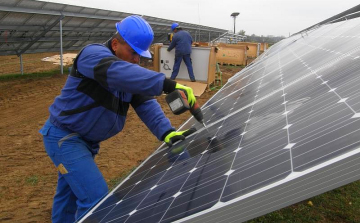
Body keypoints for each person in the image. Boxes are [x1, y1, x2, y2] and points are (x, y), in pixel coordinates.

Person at [39, 15, 197, 223]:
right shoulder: (92, 55)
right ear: (115, 44)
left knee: (68, 197)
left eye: (140, 56)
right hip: (65, 139)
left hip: (84, 142)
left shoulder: (125, 68)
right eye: (133, 53)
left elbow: (145, 102)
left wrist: (166, 132)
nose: (136, 60)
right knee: (96, 201)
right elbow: (119, 73)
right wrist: (168, 85)